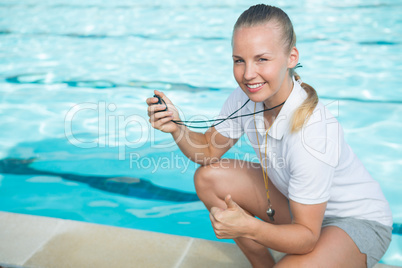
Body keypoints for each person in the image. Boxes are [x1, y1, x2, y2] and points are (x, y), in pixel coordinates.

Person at [146, 4, 392, 268]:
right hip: (298, 207)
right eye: (239, 60)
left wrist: (249, 227)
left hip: (353, 221)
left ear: (291, 57)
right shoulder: (245, 98)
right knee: (209, 178)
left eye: (262, 59)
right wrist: (177, 128)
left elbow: (307, 237)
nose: (248, 74)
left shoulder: (313, 132)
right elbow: (207, 149)